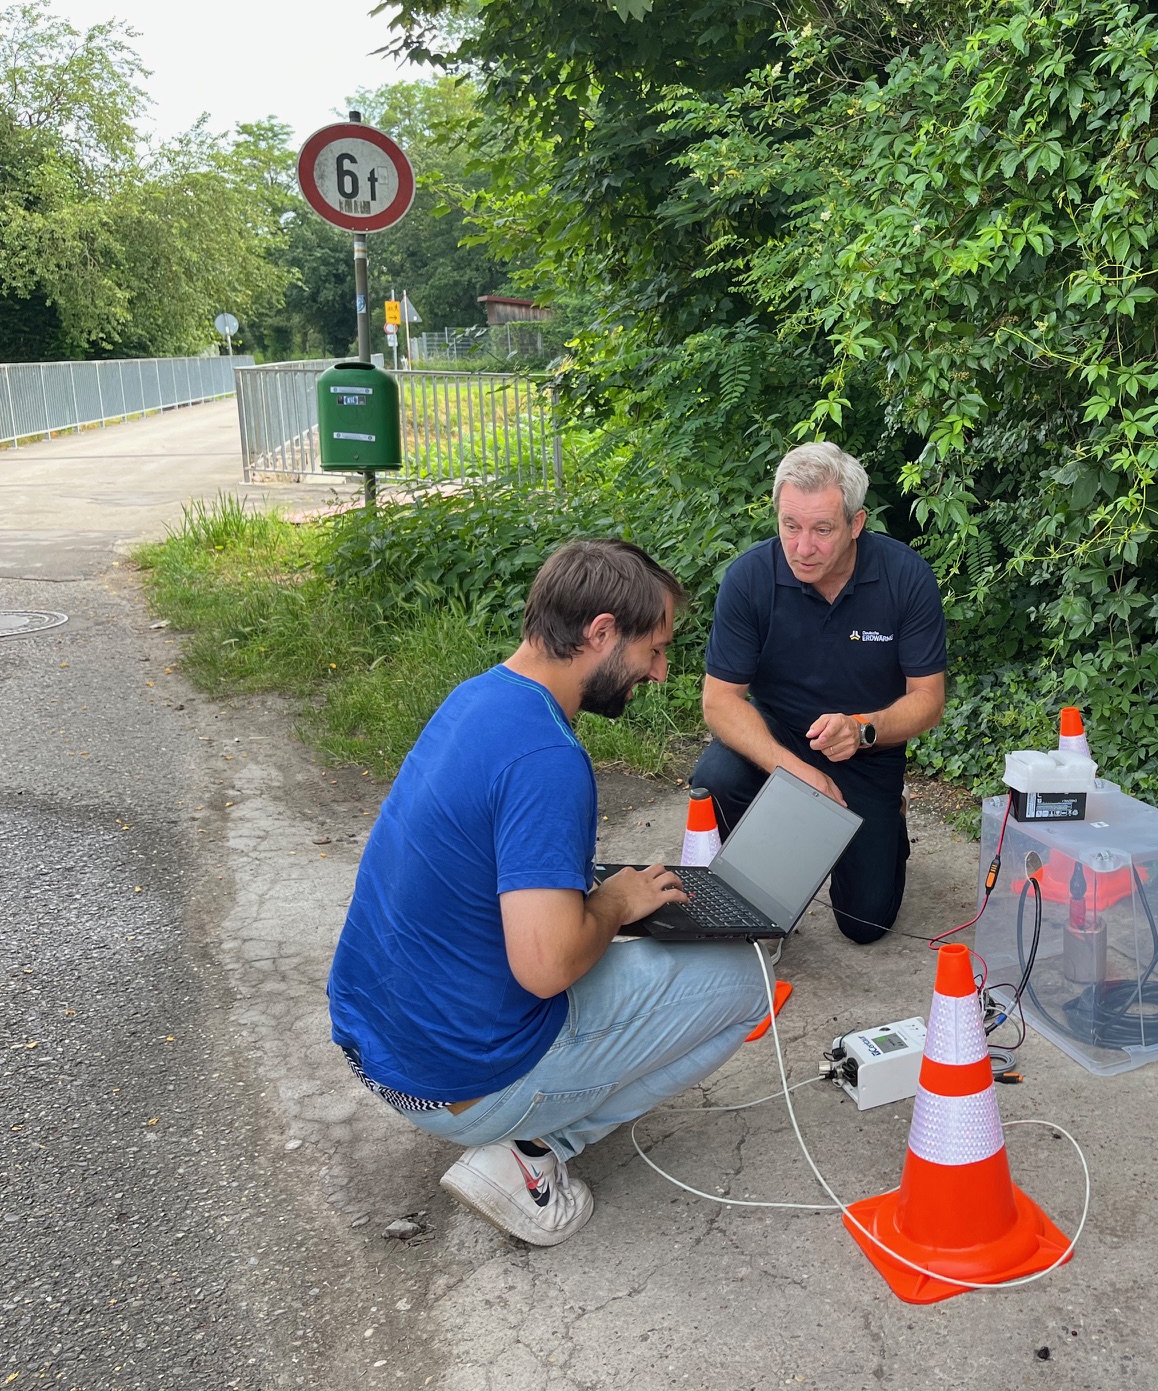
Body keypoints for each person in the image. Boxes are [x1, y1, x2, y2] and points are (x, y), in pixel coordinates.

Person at [326, 539, 769, 1246]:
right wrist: (617, 904)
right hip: (456, 1080)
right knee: (748, 980)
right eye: (654, 650)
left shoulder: (479, 697)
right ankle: (529, 1156)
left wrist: (603, 900)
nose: (658, 673)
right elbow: (547, 966)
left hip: (379, 1044)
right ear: (599, 632)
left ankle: (523, 1128)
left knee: (613, 930)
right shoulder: (550, 760)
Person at [693, 442, 947, 943]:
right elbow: (719, 701)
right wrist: (795, 772)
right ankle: (755, 885)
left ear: (856, 524)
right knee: (715, 775)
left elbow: (928, 699)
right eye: (790, 526)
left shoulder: (905, 576)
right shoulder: (749, 579)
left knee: (865, 925)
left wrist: (862, 729)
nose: (802, 547)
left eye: (822, 530)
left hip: (868, 749)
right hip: (782, 740)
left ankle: (887, 819)